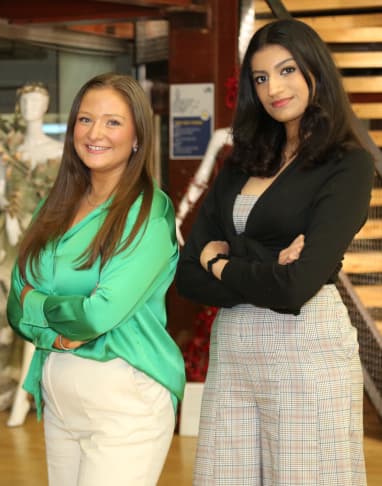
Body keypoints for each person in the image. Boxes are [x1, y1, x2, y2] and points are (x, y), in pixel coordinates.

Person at [176, 19, 372, 485]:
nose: (274, 88)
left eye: (286, 71)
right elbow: (187, 274)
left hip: (306, 351)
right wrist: (264, 259)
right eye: (261, 78)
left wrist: (221, 260)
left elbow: (297, 287)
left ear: (314, 71)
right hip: (236, 352)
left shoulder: (347, 164)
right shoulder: (241, 160)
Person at [6, 73, 184, 486]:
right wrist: (56, 335)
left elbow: (96, 315)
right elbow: (16, 303)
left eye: (113, 122)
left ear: (137, 135)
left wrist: (42, 310)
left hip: (125, 400)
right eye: (85, 120)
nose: (95, 133)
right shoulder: (59, 202)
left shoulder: (149, 212)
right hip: (60, 397)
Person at [0, 82, 62, 426]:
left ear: (46, 106)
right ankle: (19, 386)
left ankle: (42, 386)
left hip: (44, 234)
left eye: (36, 101)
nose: (30, 107)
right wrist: (10, 212)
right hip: (11, 234)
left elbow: (65, 194)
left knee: (42, 310)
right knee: (10, 313)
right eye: (25, 101)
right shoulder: (9, 149)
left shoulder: (58, 149)